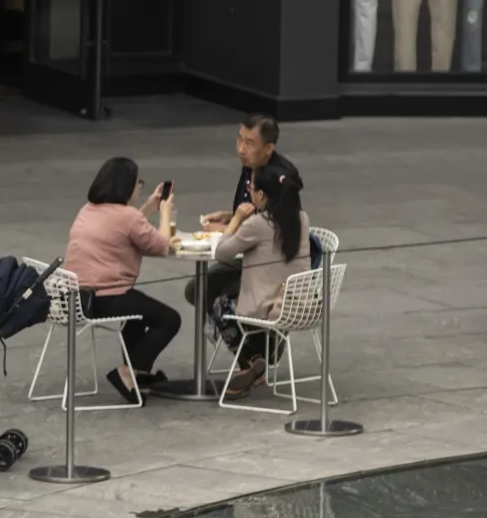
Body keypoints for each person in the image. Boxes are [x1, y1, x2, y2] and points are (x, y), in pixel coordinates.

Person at [62, 157, 180, 405]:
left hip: (75, 297)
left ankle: (136, 374)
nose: (139, 188)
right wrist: (165, 213)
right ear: (126, 186)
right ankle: (128, 371)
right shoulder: (127, 216)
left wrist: (149, 206)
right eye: (138, 183)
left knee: (139, 315)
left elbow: (122, 227)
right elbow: (162, 246)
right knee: (169, 319)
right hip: (106, 297)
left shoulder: (88, 209)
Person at [206, 168, 310, 399]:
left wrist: (236, 219)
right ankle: (263, 352)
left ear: (261, 195)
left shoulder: (257, 224)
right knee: (233, 289)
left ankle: (251, 361)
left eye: (251, 188)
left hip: (267, 308)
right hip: (298, 303)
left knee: (220, 303)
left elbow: (222, 253)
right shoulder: (301, 218)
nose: (248, 192)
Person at [198, 115, 300, 308]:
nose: (241, 149)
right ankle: (243, 333)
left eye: (249, 143)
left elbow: (267, 226)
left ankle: (249, 334)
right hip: (251, 254)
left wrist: (228, 228)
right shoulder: (252, 166)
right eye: (239, 139)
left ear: (269, 148)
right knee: (199, 287)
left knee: (204, 289)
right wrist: (229, 215)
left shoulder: (278, 178)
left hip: (270, 266)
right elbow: (257, 211)